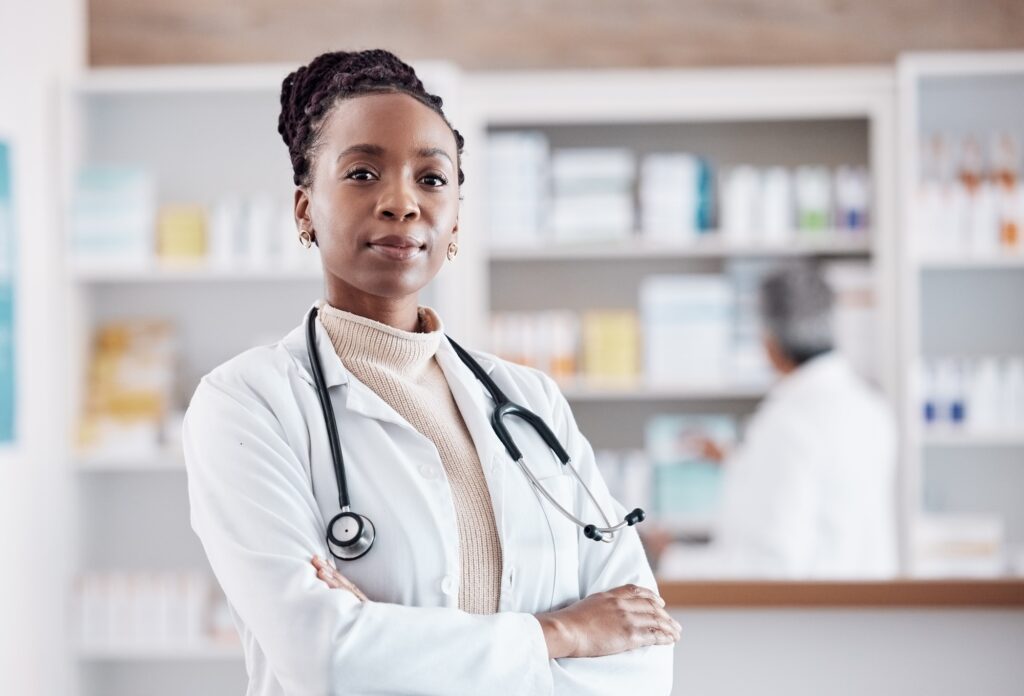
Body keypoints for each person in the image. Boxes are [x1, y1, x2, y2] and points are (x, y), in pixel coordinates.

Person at [181, 49, 676, 696]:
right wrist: (563, 634)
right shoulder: (248, 405)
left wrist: (389, 637)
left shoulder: (530, 402)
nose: (401, 203)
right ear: (305, 210)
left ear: (457, 216)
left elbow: (641, 656)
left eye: (433, 179)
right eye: (362, 173)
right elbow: (325, 657)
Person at [679, 263, 898, 579]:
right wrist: (738, 461)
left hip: (811, 617)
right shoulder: (871, 408)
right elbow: (825, 494)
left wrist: (676, 560)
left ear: (769, 341)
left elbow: (774, 562)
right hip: (868, 606)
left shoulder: (788, 421)